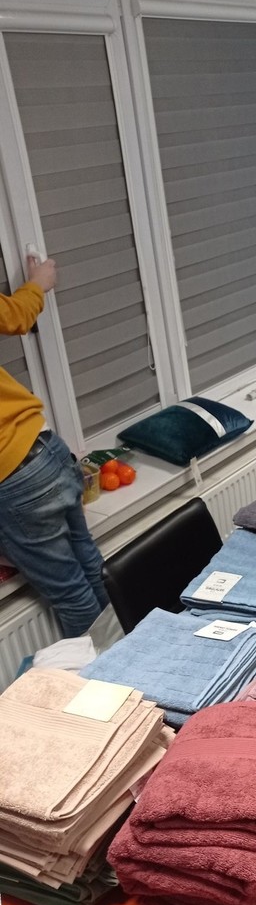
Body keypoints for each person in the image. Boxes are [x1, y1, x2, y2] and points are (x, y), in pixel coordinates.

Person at [0, 254, 109, 636]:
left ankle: (110, 669)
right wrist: (37, 284)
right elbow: (15, 316)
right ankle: (132, 652)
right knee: (90, 562)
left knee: (70, 593)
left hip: (12, 477)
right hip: (46, 448)